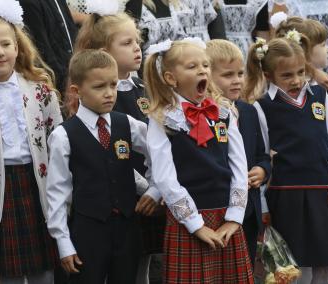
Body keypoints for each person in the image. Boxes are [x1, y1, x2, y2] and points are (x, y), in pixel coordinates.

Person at [245, 35, 328, 284]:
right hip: (286, 197)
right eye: (287, 75)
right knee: (295, 270)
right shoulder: (261, 107)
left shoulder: (319, 96)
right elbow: (261, 156)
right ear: (269, 75)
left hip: (322, 192)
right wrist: (262, 205)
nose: (296, 80)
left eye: (300, 72)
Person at [143, 38, 253, 283]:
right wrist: (195, 224)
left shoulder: (224, 111)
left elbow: (238, 166)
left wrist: (234, 217)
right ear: (171, 78)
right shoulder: (163, 118)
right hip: (188, 221)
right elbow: (164, 178)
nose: (202, 70)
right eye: (192, 67)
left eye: (205, 65)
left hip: (226, 217)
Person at [46, 49, 159, 284]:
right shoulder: (63, 136)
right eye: (99, 87)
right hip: (87, 232)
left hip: (127, 229)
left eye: (113, 85)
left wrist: (155, 189)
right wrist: (63, 242)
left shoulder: (126, 124)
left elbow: (159, 153)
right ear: (77, 91)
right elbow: (57, 193)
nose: (109, 94)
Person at [73, 3, 164, 282]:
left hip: (151, 196)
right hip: (120, 198)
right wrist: (143, 186)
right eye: (127, 43)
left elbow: (158, 147)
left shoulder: (145, 88)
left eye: (137, 41)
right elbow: (106, 153)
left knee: (144, 264)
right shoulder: (100, 100)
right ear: (104, 53)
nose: (137, 48)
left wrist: (156, 189)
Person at [0, 1, 63, 283]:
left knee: (44, 267)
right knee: (9, 271)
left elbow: (58, 139)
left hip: (38, 182)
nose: (0, 52)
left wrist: (64, 186)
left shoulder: (40, 89)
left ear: (18, 46)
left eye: (6, 44)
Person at [206, 39, 271, 267]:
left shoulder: (248, 111)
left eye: (240, 74)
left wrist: (262, 170)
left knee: (245, 272)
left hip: (249, 213)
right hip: (217, 211)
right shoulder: (202, 115)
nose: (237, 81)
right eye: (227, 75)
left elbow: (262, 154)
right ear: (207, 75)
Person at [19, 0, 78, 94]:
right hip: (56, 86)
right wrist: (65, 83)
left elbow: (71, 34)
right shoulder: (28, 3)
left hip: (73, 77)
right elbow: (42, 52)